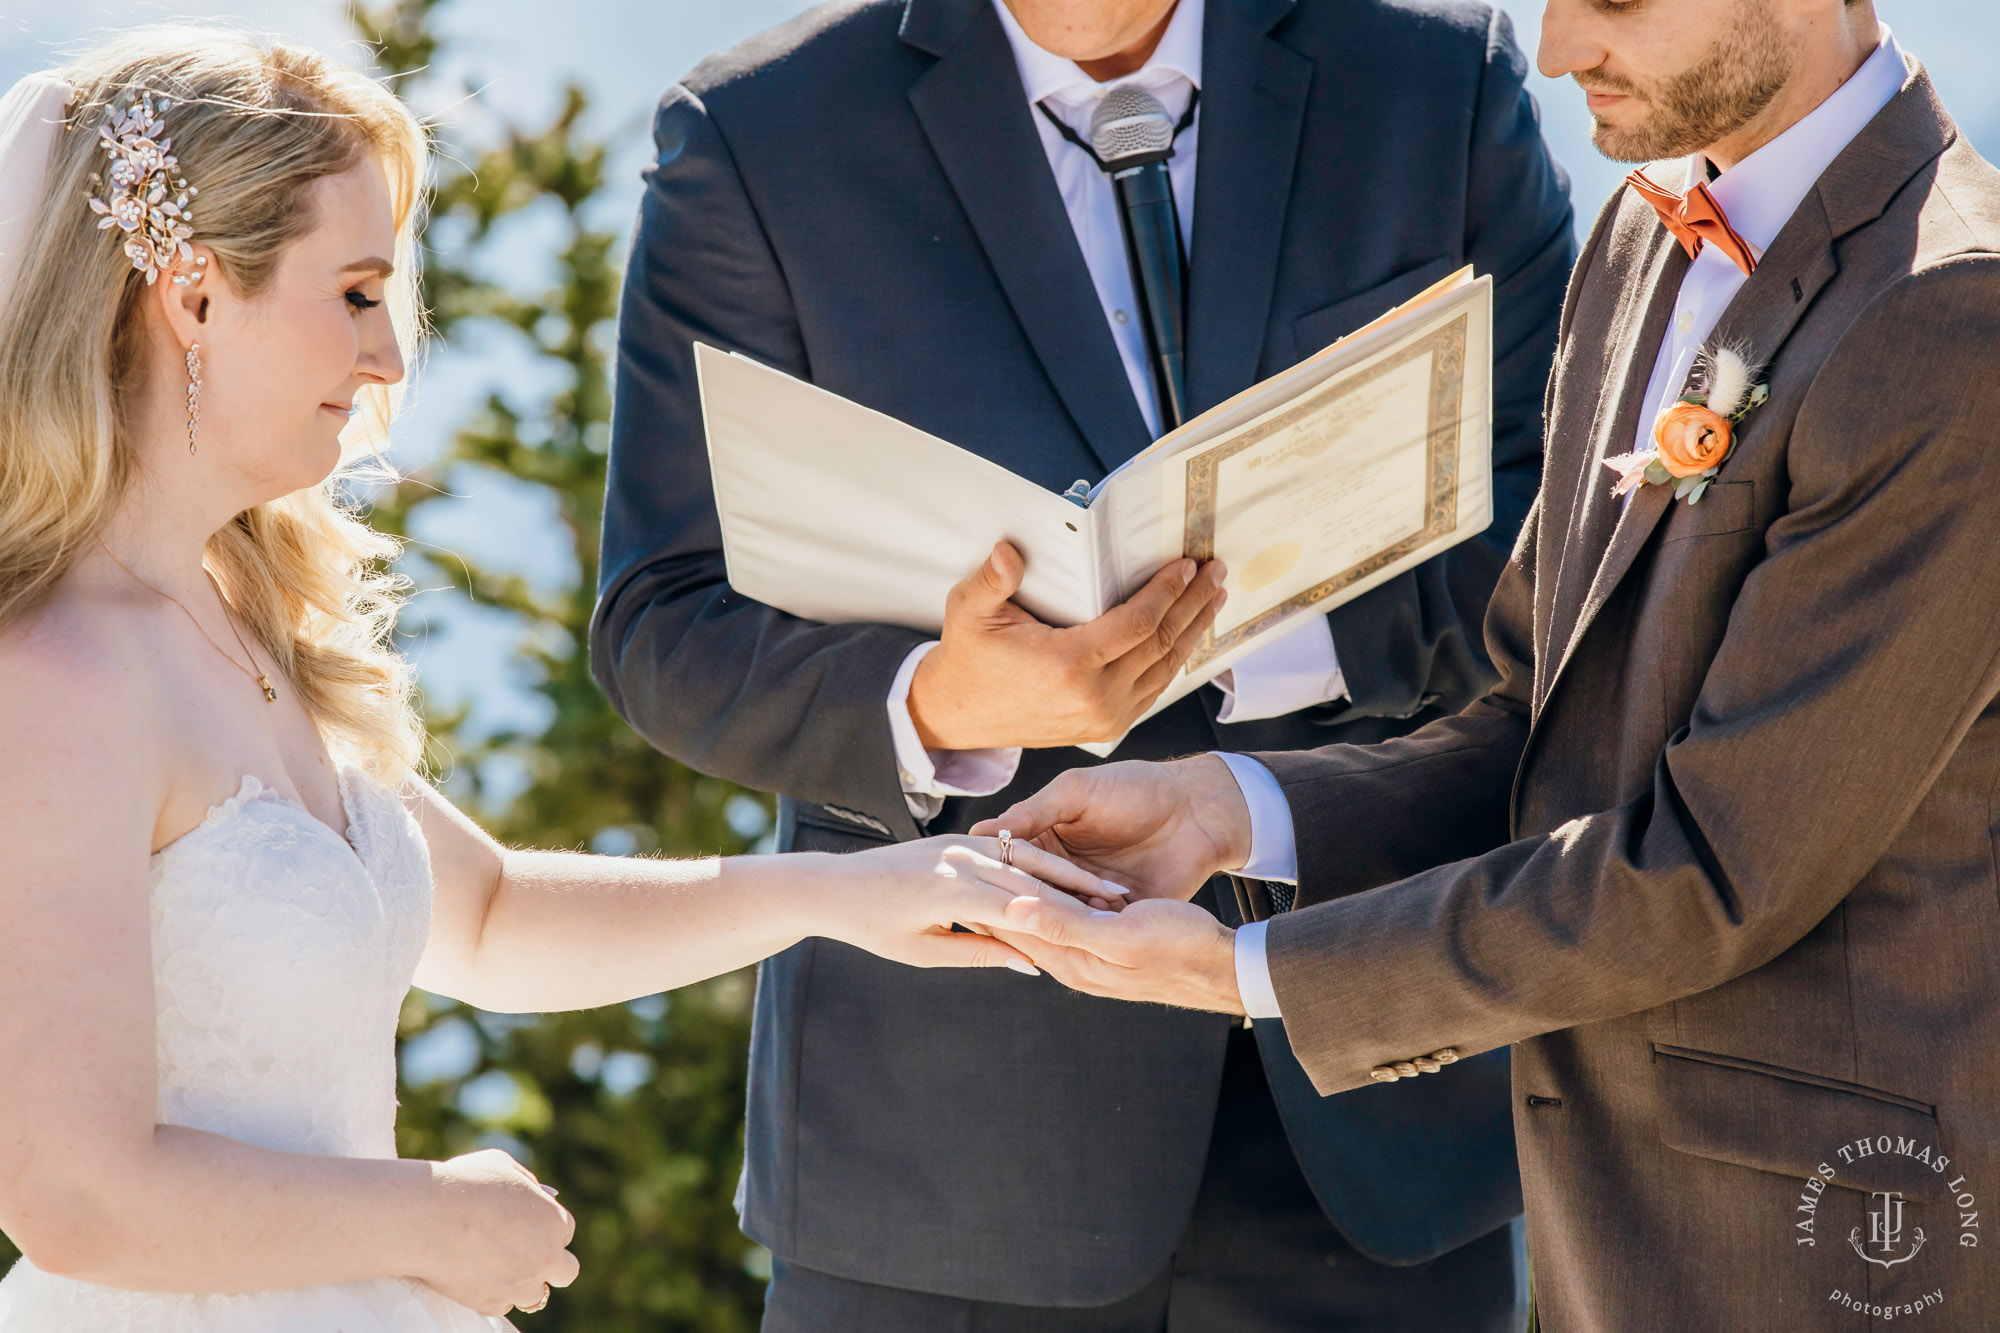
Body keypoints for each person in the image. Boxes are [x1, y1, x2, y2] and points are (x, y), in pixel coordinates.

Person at [0, 31, 1100, 1332]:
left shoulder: (239, 613)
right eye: (353, 293)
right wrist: (431, 1216)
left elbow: (493, 912)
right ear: (189, 299)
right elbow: (71, 1192)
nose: (386, 359)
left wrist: (847, 892)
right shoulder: (57, 677)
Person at [977, 1, 2000, 1328]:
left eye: (1615, 0)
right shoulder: (1639, 234)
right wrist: (1236, 807)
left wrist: (1239, 972)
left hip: (1823, 1248)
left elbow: (1711, 874)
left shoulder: (1950, 322)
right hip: (1602, 1234)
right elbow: (1535, 717)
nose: (1562, 46)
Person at [593, 0, 1575, 1326]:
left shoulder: (1435, 76)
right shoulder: (758, 138)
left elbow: (1567, 531)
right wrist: (940, 701)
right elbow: (662, 619)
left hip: (1382, 1121)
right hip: (946, 1168)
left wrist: (1250, 638)